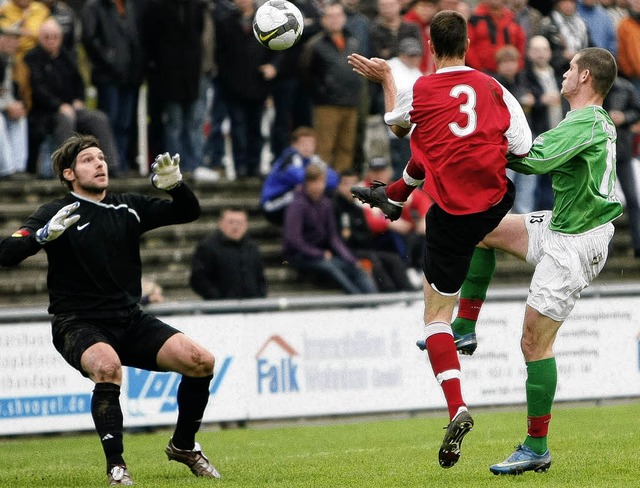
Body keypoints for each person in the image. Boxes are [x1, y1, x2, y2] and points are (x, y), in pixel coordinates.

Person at [347, 9, 532, 468]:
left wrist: (388, 73)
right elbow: (522, 146)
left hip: (450, 214)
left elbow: (395, 122)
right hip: (495, 200)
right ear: (468, 46)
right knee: (435, 149)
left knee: (433, 317)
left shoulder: (423, 90)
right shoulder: (494, 87)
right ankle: (396, 196)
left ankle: (457, 404)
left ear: (431, 47)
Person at [0, 134, 221, 485]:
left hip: (129, 319)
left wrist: (176, 186)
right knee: (107, 367)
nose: (100, 163)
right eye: (89, 160)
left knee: (201, 361)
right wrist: (41, 236)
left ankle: (183, 446)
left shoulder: (127, 206)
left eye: (101, 157)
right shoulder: (57, 212)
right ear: (69, 174)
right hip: (78, 323)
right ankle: (116, 466)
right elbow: (5, 253)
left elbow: (187, 211)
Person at [448, 47, 622, 475]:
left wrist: (480, 141)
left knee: (534, 343)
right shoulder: (587, 121)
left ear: (583, 77)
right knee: (481, 231)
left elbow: (534, 159)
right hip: (565, 225)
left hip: (575, 242)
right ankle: (465, 329)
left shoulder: (584, 121)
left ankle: (536, 446)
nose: (562, 74)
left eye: (568, 68)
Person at [24, 18, 120, 176]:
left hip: (70, 107)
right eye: (47, 37)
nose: (51, 41)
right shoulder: (32, 58)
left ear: (60, 38)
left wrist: (78, 100)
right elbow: (38, 89)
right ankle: (68, 167)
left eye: (54, 37)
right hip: (45, 112)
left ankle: (111, 165)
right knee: (65, 120)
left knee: (98, 118)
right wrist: (58, 105)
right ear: (40, 38)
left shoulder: (66, 57)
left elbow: (79, 82)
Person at [283, 162, 377, 294]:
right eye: (314, 183)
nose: (318, 187)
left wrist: (351, 259)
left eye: (321, 183)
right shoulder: (297, 206)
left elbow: (333, 237)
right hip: (299, 256)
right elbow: (294, 240)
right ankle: (357, 299)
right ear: (307, 184)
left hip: (322, 254)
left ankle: (373, 299)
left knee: (355, 266)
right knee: (332, 267)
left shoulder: (326, 204)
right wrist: (318, 253)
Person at [333, 170, 415, 291]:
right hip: (344, 251)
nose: (350, 188)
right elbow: (337, 238)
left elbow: (366, 235)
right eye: (346, 184)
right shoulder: (333, 208)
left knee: (392, 259)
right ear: (339, 186)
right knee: (371, 257)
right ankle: (388, 292)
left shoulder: (358, 209)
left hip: (361, 249)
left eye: (353, 184)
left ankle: (409, 291)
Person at [260, 126, 339, 225]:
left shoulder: (314, 159)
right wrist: (320, 179)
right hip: (273, 205)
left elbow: (335, 178)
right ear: (294, 145)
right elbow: (303, 178)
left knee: (325, 193)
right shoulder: (290, 158)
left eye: (311, 144)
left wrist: (320, 180)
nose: (307, 147)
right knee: (304, 191)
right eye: (303, 144)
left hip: (292, 201)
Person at [190, 207, 267, 300]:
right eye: (231, 222)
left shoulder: (252, 248)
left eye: (239, 222)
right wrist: (216, 298)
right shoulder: (207, 247)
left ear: (246, 224)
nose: (235, 226)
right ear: (221, 223)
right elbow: (198, 279)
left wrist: (260, 296)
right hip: (221, 309)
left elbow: (260, 277)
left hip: (252, 307)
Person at [0, 25, 28, 179]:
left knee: (19, 116)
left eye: (15, 39)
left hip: (3, 105)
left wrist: (16, 105)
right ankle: (6, 170)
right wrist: (6, 105)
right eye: (8, 38)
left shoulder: (13, 62)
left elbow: (9, 92)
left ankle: (18, 168)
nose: (12, 43)